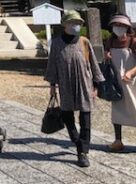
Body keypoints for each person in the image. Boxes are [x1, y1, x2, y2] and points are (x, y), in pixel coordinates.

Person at [44, 10, 104, 168]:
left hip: (84, 83)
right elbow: (52, 65)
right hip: (65, 84)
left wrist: (96, 86)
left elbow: (93, 64)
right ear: (65, 24)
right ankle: (77, 141)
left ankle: (82, 152)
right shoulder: (56, 43)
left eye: (78, 23)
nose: (76, 25)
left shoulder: (84, 41)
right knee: (67, 115)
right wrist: (52, 85)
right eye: (73, 23)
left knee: (85, 117)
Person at [104, 13, 136, 152]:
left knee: (135, 108)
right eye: (116, 25)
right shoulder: (110, 41)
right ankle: (118, 140)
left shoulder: (133, 41)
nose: (119, 27)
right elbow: (106, 59)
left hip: (132, 81)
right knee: (116, 110)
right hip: (116, 82)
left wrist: (131, 73)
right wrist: (107, 56)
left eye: (122, 25)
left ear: (127, 27)